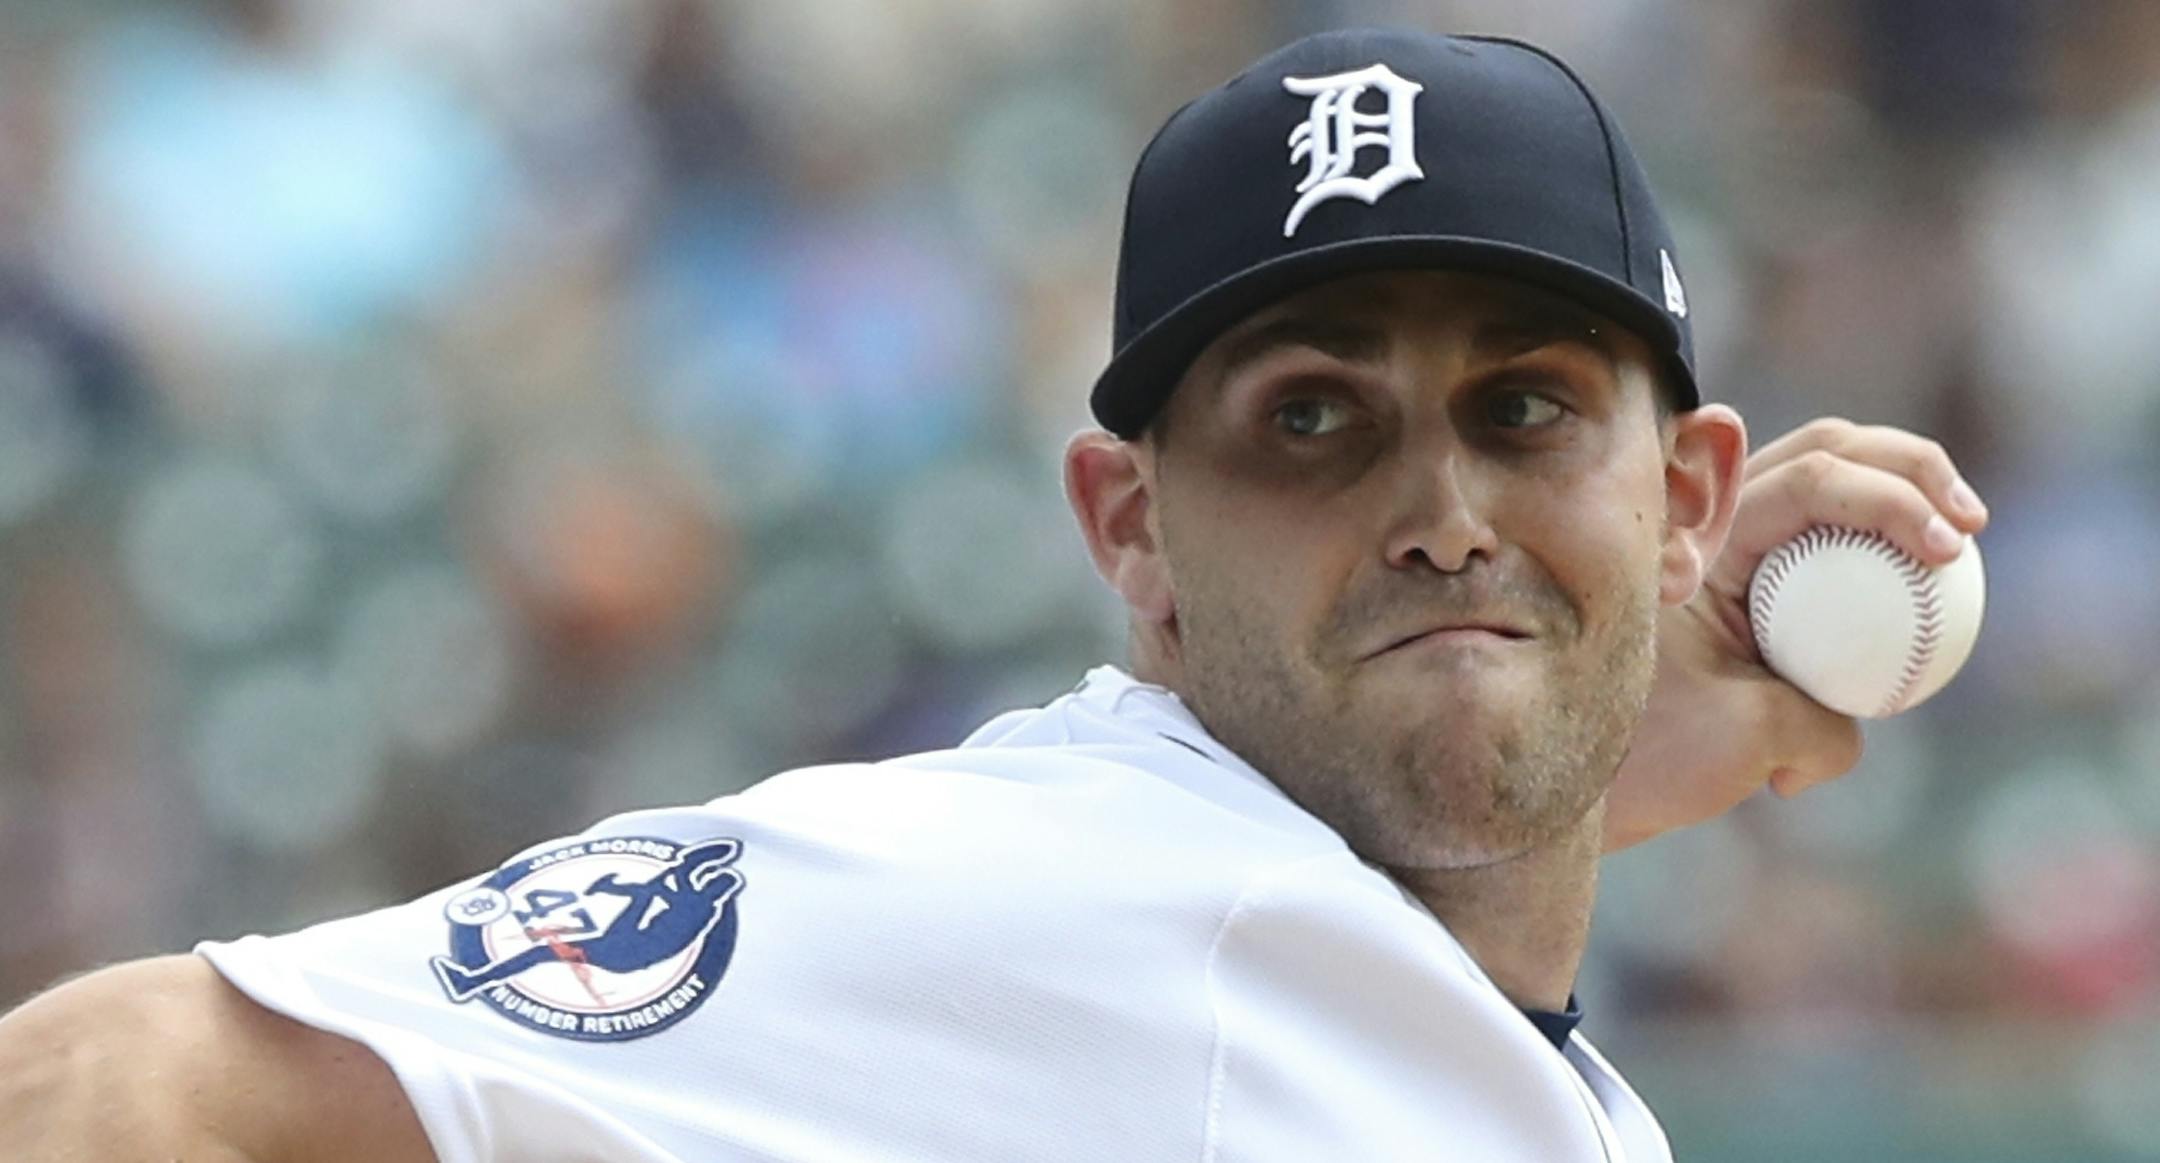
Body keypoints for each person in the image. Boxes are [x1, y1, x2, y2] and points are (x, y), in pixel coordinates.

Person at [0, 27, 1987, 1162]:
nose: (1444, 515)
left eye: (1527, 409)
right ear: (1130, 530)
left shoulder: (1374, 984)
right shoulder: (1057, 886)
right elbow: (116, 1081)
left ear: (1686, 498)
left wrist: (1547, 752)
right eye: (1312, 421)